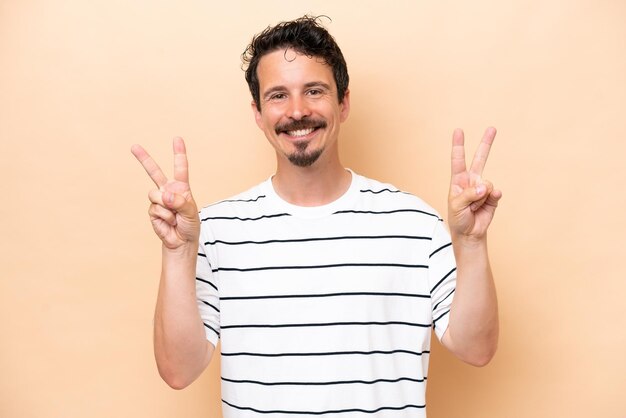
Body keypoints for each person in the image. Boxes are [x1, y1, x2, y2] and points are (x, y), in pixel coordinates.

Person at [131, 15, 501, 417]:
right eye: (278, 95)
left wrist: (471, 244)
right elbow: (178, 371)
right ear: (257, 113)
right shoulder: (214, 230)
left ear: (343, 103)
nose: (297, 110)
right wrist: (177, 253)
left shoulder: (414, 224)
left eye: (314, 90)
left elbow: (476, 349)